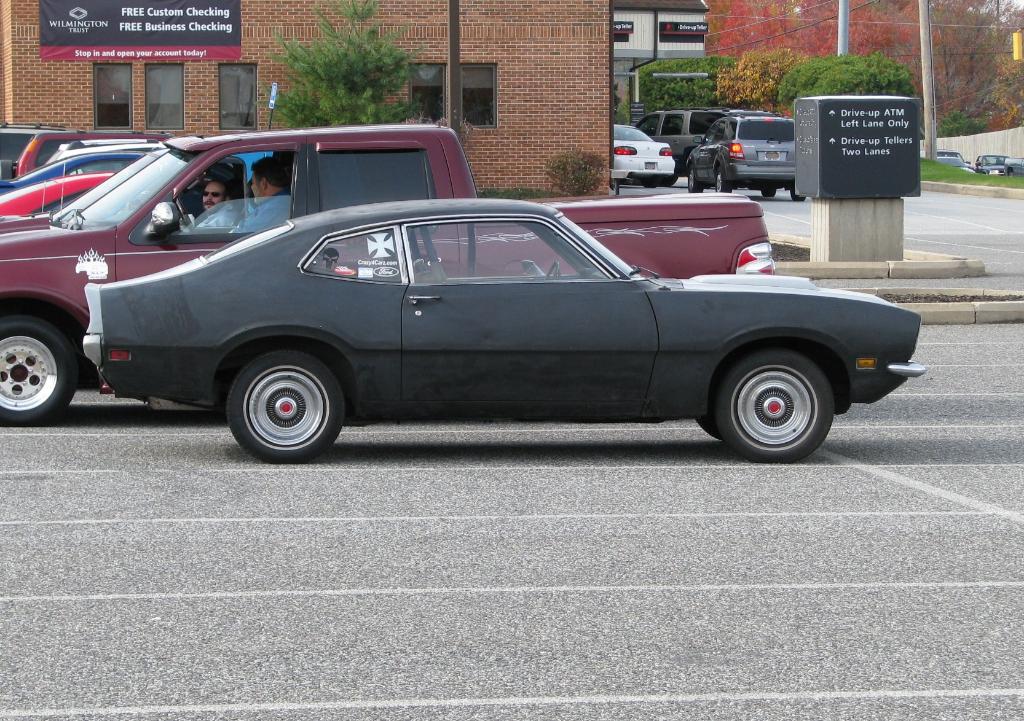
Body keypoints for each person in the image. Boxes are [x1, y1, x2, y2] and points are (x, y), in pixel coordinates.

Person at [235, 156, 291, 233]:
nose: (251, 187)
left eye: (253, 183)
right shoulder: (281, 201)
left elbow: (242, 233)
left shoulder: (273, 208)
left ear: (263, 184)